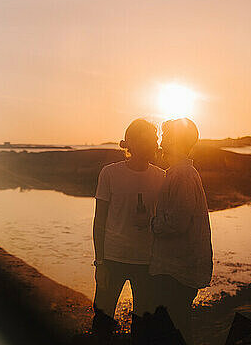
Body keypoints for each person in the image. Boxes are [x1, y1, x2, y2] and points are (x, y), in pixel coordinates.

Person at [92, 119, 165, 339]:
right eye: (151, 140)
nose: (156, 144)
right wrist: (100, 263)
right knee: (102, 321)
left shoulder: (161, 177)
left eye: (156, 140)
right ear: (133, 143)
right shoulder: (110, 173)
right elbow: (99, 221)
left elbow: (165, 222)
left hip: (147, 263)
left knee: (143, 325)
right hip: (113, 259)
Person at [149, 118, 213, 344]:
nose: (161, 141)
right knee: (176, 326)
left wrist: (151, 223)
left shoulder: (182, 174)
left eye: (166, 137)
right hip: (179, 267)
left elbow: (177, 223)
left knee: (175, 329)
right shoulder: (179, 171)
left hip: (178, 269)